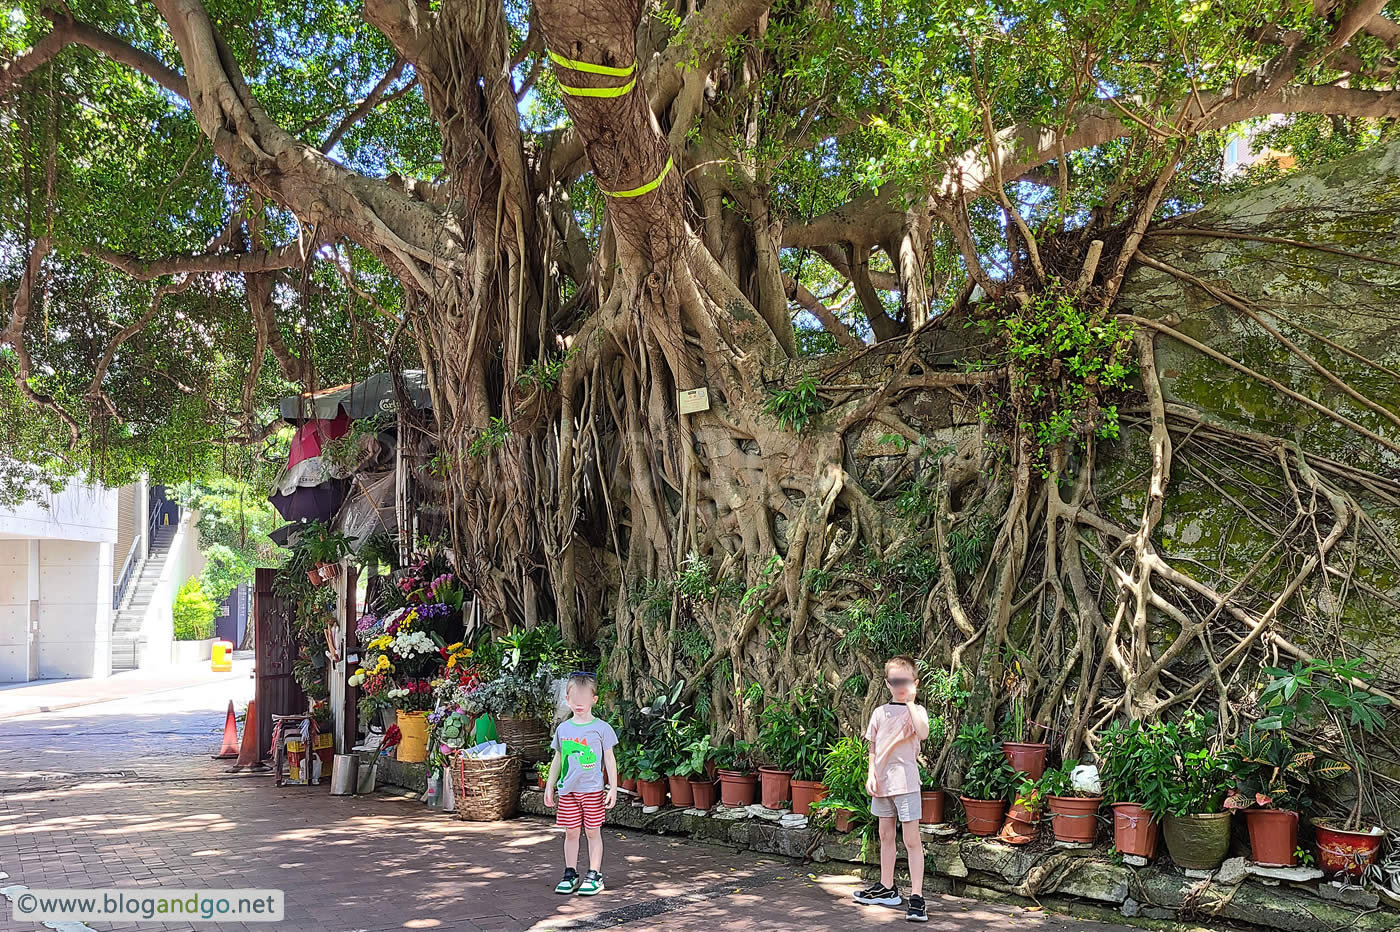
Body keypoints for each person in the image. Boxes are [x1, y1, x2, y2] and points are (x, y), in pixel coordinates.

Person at [854, 655, 930, 922]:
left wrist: (910, 702)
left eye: (906, 681)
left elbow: (923, 733)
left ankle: (917, 897)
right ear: (887, 683)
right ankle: (887, 888)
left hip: (906, 783)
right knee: (885, 835)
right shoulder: (879, 713)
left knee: (911, 840)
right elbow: (873, 747)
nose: (900, 685)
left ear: (915, 683)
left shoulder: (916, 712)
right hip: (883, 784)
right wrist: (871, 774)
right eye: (895, 681)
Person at [543, 672, 619, 896]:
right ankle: (570, 872)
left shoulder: (602, 728)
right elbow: (558, 758)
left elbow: (610, 759)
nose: (579, 702)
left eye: (584, 697)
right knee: (571, 832)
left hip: (592, 791)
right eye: (574, 697)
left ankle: (594, 874)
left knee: (593, 832)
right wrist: (550, 785)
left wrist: (612, 787)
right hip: (568, 792)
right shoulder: (563, 729)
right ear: (567, 698)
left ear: (594, 699)